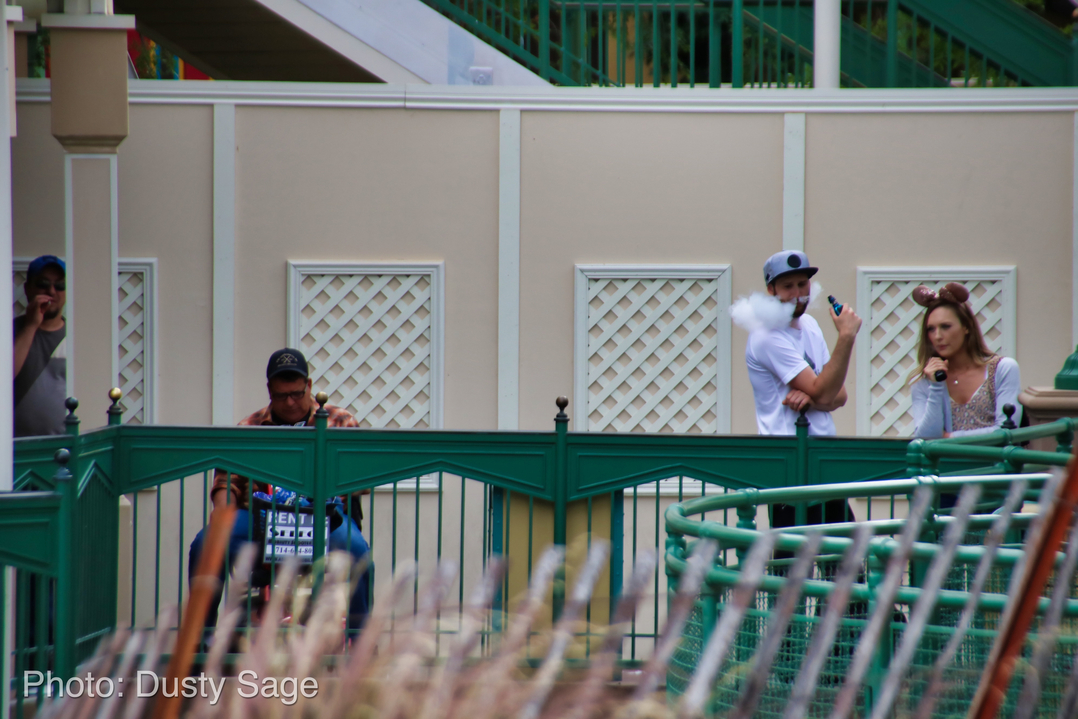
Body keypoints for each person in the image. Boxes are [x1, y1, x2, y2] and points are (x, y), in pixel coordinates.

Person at [188, 348, 371, 632]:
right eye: (280, 395)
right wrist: (221, 513)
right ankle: (200, 642)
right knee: (205, 544)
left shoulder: (340, 422)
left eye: (297, 394)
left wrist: (327, 494)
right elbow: (227, 482)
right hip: (259, 520)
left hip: (324, 517)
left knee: (357, 551)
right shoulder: (249, 427)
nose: (289, 402)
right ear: (269, 390)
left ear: (309, 386)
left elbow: (361, 479)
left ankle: (360, 646)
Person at [733, 250, 863, 526]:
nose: (797, 293)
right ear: (771, 290)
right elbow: (828, 392)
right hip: (788, 463)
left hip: (822, 459)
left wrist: (815, 394)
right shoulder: (766, 336)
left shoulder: (811, 325)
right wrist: (846, 336)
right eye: (787, 286)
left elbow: (839, 395)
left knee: (844, 561)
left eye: (802, 284)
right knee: (789, 564)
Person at [908, 282, 1021, 438]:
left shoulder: (1002, 368)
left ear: (966, 327)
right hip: (947, 462)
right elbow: (927, 437)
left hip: (994, 461)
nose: (937, 336)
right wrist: (936, 386)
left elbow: (1006, 431)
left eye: (945, 326)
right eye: (931, 329)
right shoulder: (924, 381)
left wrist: (949, 438)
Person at [14, 255, 68, 437]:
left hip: (64, 448)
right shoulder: (9, 331)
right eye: (43, 284)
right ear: (28, 289)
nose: (51, 291)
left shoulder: (76, 337)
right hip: (16, 448)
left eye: (59, 285)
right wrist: (31, 325)